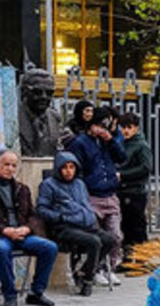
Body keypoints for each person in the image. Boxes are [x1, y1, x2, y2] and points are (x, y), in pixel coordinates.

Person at [0, 149, 58, 306]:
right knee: (1, 249)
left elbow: (33, 215)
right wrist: (4, 230)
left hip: (21, 235)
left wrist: (27, 228)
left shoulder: (22, 189)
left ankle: (36, 293)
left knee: (50, 247)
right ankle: (9, 294)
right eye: (6, 165)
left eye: (13, 165)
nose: (10, 169)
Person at [37, 150, 117, 296]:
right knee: (94, 242)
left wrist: (91, 217)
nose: (68, 171)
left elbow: (85, 204)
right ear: (58, 168)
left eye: (72, 167)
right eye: (65, 167)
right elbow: (42, 209)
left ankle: (83, 271)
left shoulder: (80, 184)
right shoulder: (48, 185)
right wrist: (60, 217)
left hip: (85, 225)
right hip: (63, 227)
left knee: (110, 240)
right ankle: (87, 280)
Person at [66, 111, 126, 281]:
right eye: (98, 126)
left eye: (104, 126)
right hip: (92, 195)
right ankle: (95, 269)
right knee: (96, 235)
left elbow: (121, 157)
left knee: (116, 235)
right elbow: (76, 169)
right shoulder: (80, 143)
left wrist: (111, 141)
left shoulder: (106, 142)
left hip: (110, 193)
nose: (101, 130)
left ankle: (111, 268)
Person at [117, 113, 152, 248]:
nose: (126, 130)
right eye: (123, 127)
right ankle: (130, 260)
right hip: (123, 190)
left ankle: (140, 261)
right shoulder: (123, 143)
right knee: (126, 228)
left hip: (135, 192)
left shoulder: (141, 145)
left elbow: (145, 168)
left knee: (136, 229)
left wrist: (123, 175)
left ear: (136, 128)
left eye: (129, 127)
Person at [18, 69, 61, 157]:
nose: (44, 97)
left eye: (49, 93)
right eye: (37, 92)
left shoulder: (55, 117)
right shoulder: (13, 117)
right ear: (24, 91)